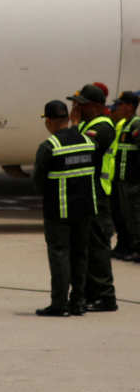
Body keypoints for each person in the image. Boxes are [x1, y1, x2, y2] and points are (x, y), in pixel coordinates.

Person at [32, 100, 96, 317]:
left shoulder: (49, 146)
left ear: (48, 121)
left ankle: (59, 303)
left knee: (60, 255)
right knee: (80, 254)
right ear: (67, 118)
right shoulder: (88, 141)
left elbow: (37, 184)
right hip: (85, 208)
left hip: (59, 210)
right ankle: (79, 302)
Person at [70, 83, 117, 311]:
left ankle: (105, 296)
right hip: (88, 192)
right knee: (87, 244)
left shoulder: (101, 126)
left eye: (82, 104)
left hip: (97, 192)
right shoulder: (90, 124)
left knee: (98, 246)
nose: (77, 107)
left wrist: (75, 125)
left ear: (97, 106)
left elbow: (80, 150)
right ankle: (91, 293)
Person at [112, 91, 140, 261]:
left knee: (135, 215)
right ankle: (130, 246)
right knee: (126, 215)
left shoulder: (136, 125)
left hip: (132, 180)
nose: (118, 107)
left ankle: (138, 248)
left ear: (130, 106)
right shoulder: (125, 125)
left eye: (121, 104)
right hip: (123, 180)